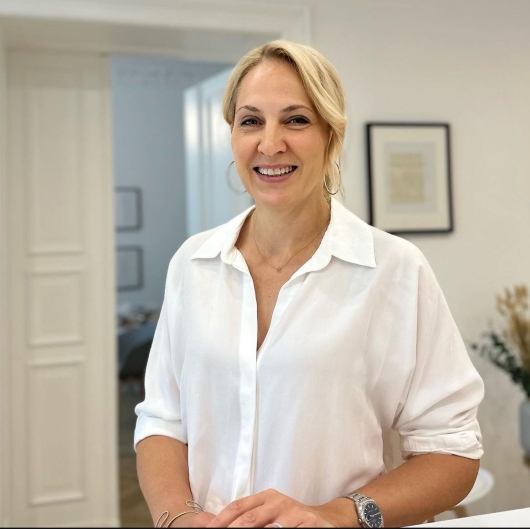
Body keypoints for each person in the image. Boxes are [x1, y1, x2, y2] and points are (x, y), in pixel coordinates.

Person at [134, 40, 484, 528]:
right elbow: (162, 419)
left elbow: (453, 452)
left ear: (331, 134)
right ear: (232, 135)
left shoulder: (394, 270)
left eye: (296, 120)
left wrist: (337, 515)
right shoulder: (192, 265)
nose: (270, 143)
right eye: (250, 121)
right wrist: (176, 518)